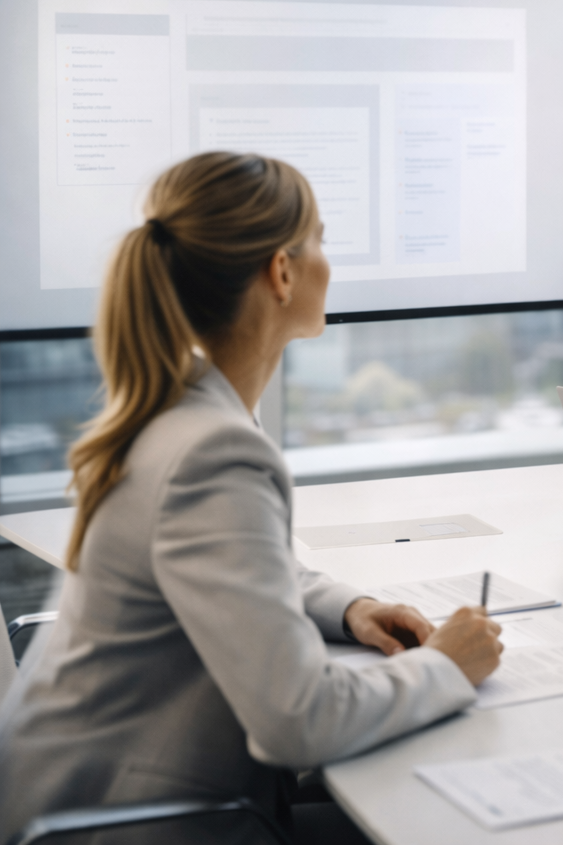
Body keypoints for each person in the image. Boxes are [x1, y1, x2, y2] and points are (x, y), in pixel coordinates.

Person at [0, 153, 505, 844]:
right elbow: (299, 719)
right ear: (282, 272)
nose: (329, 261)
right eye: (319, 239)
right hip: (129, 822)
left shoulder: (180, 410)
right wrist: (444, 666)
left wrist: (350, 608)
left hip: (89, 793)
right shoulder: (212, 450)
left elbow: (245, 568)